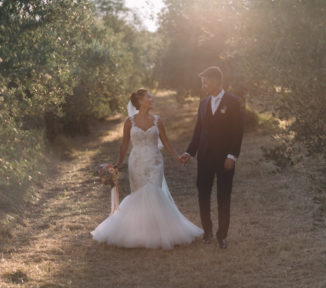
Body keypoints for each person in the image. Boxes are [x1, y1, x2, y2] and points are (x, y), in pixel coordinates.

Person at [90, 89, 203, 249]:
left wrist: (177, 157)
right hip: (137, 162)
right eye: (148, 97)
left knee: (154, 193)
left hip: (155, 161)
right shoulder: (129, 122)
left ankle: (157, 233)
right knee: (139, 194)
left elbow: (165, 142)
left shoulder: (158, 120)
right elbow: (124, 145)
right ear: (140, 100)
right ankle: (138, 233)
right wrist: (117, 165)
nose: (152, 99)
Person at [181, 66, 244, 249]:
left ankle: (221, 236)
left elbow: (237, 132)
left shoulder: (233, 101)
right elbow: (198, 132)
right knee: (203, 195)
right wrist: (189, 152)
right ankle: (207, 232)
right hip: (205, 158)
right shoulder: (203, 103)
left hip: (225, 159)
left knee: (223, 197)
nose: (203, 85)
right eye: (202, 82)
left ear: (216, 80)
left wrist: (232, 155)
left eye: (205, 81)